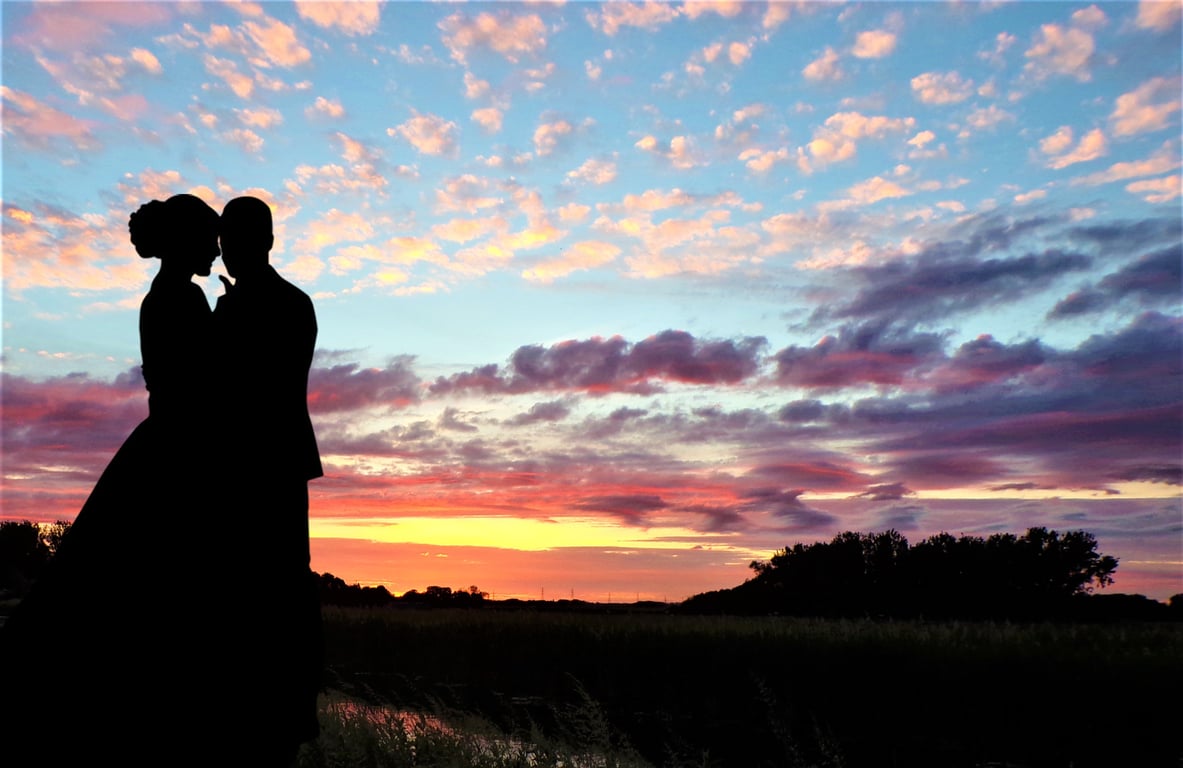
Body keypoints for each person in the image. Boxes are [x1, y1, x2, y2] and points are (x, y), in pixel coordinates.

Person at [0, 194, 222, 764]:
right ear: (185, 241)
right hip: (179, 448)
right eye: (210, 237)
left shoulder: (166, 296)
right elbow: (205, 382)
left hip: (164, 442)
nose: (217, 248)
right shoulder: (184, 298)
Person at [213, 195, 324, 765]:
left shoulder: (238, 310)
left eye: (229, 238)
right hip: (281, 465)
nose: (222, 249)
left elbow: (227, 393)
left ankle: (263, 721)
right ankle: (282, 719)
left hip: (248, 471)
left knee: (256, 593)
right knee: (280, 589)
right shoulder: (297, 303)